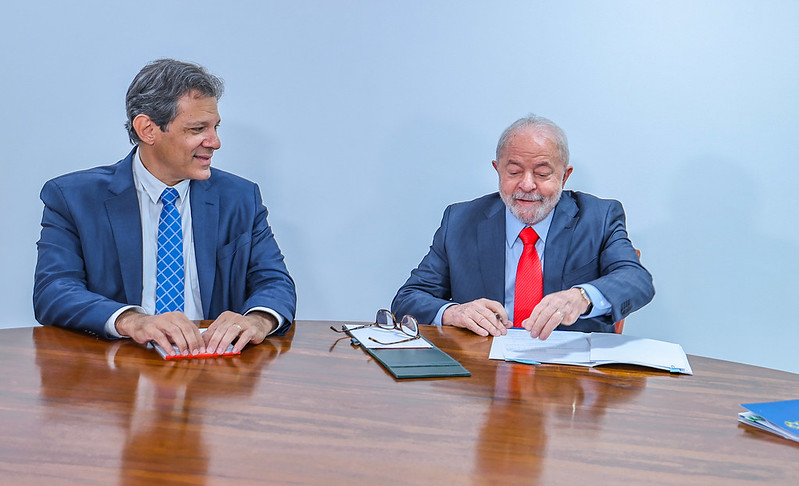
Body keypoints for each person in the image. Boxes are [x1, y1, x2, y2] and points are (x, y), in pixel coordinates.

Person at [34, 59, 296, 356]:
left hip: (214, 366)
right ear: (148, 129)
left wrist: (257, 320)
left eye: (215, 127)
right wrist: (132, 321)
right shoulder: (73, 198)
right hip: (118, 364)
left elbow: (274, 282)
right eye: (198, 129)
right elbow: (53, 291)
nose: (215, 142)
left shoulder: (240, 197)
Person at [391, 114, 654, 340]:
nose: (527, 185)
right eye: (514, 172)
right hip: (482, 369)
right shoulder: (461, 221)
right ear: (498, 170)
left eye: (542, 174)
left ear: (565, 176)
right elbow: (408, 299)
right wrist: (454, 312)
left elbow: (636, 280)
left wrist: (582, 297)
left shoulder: (598, 218)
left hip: (569, 371)